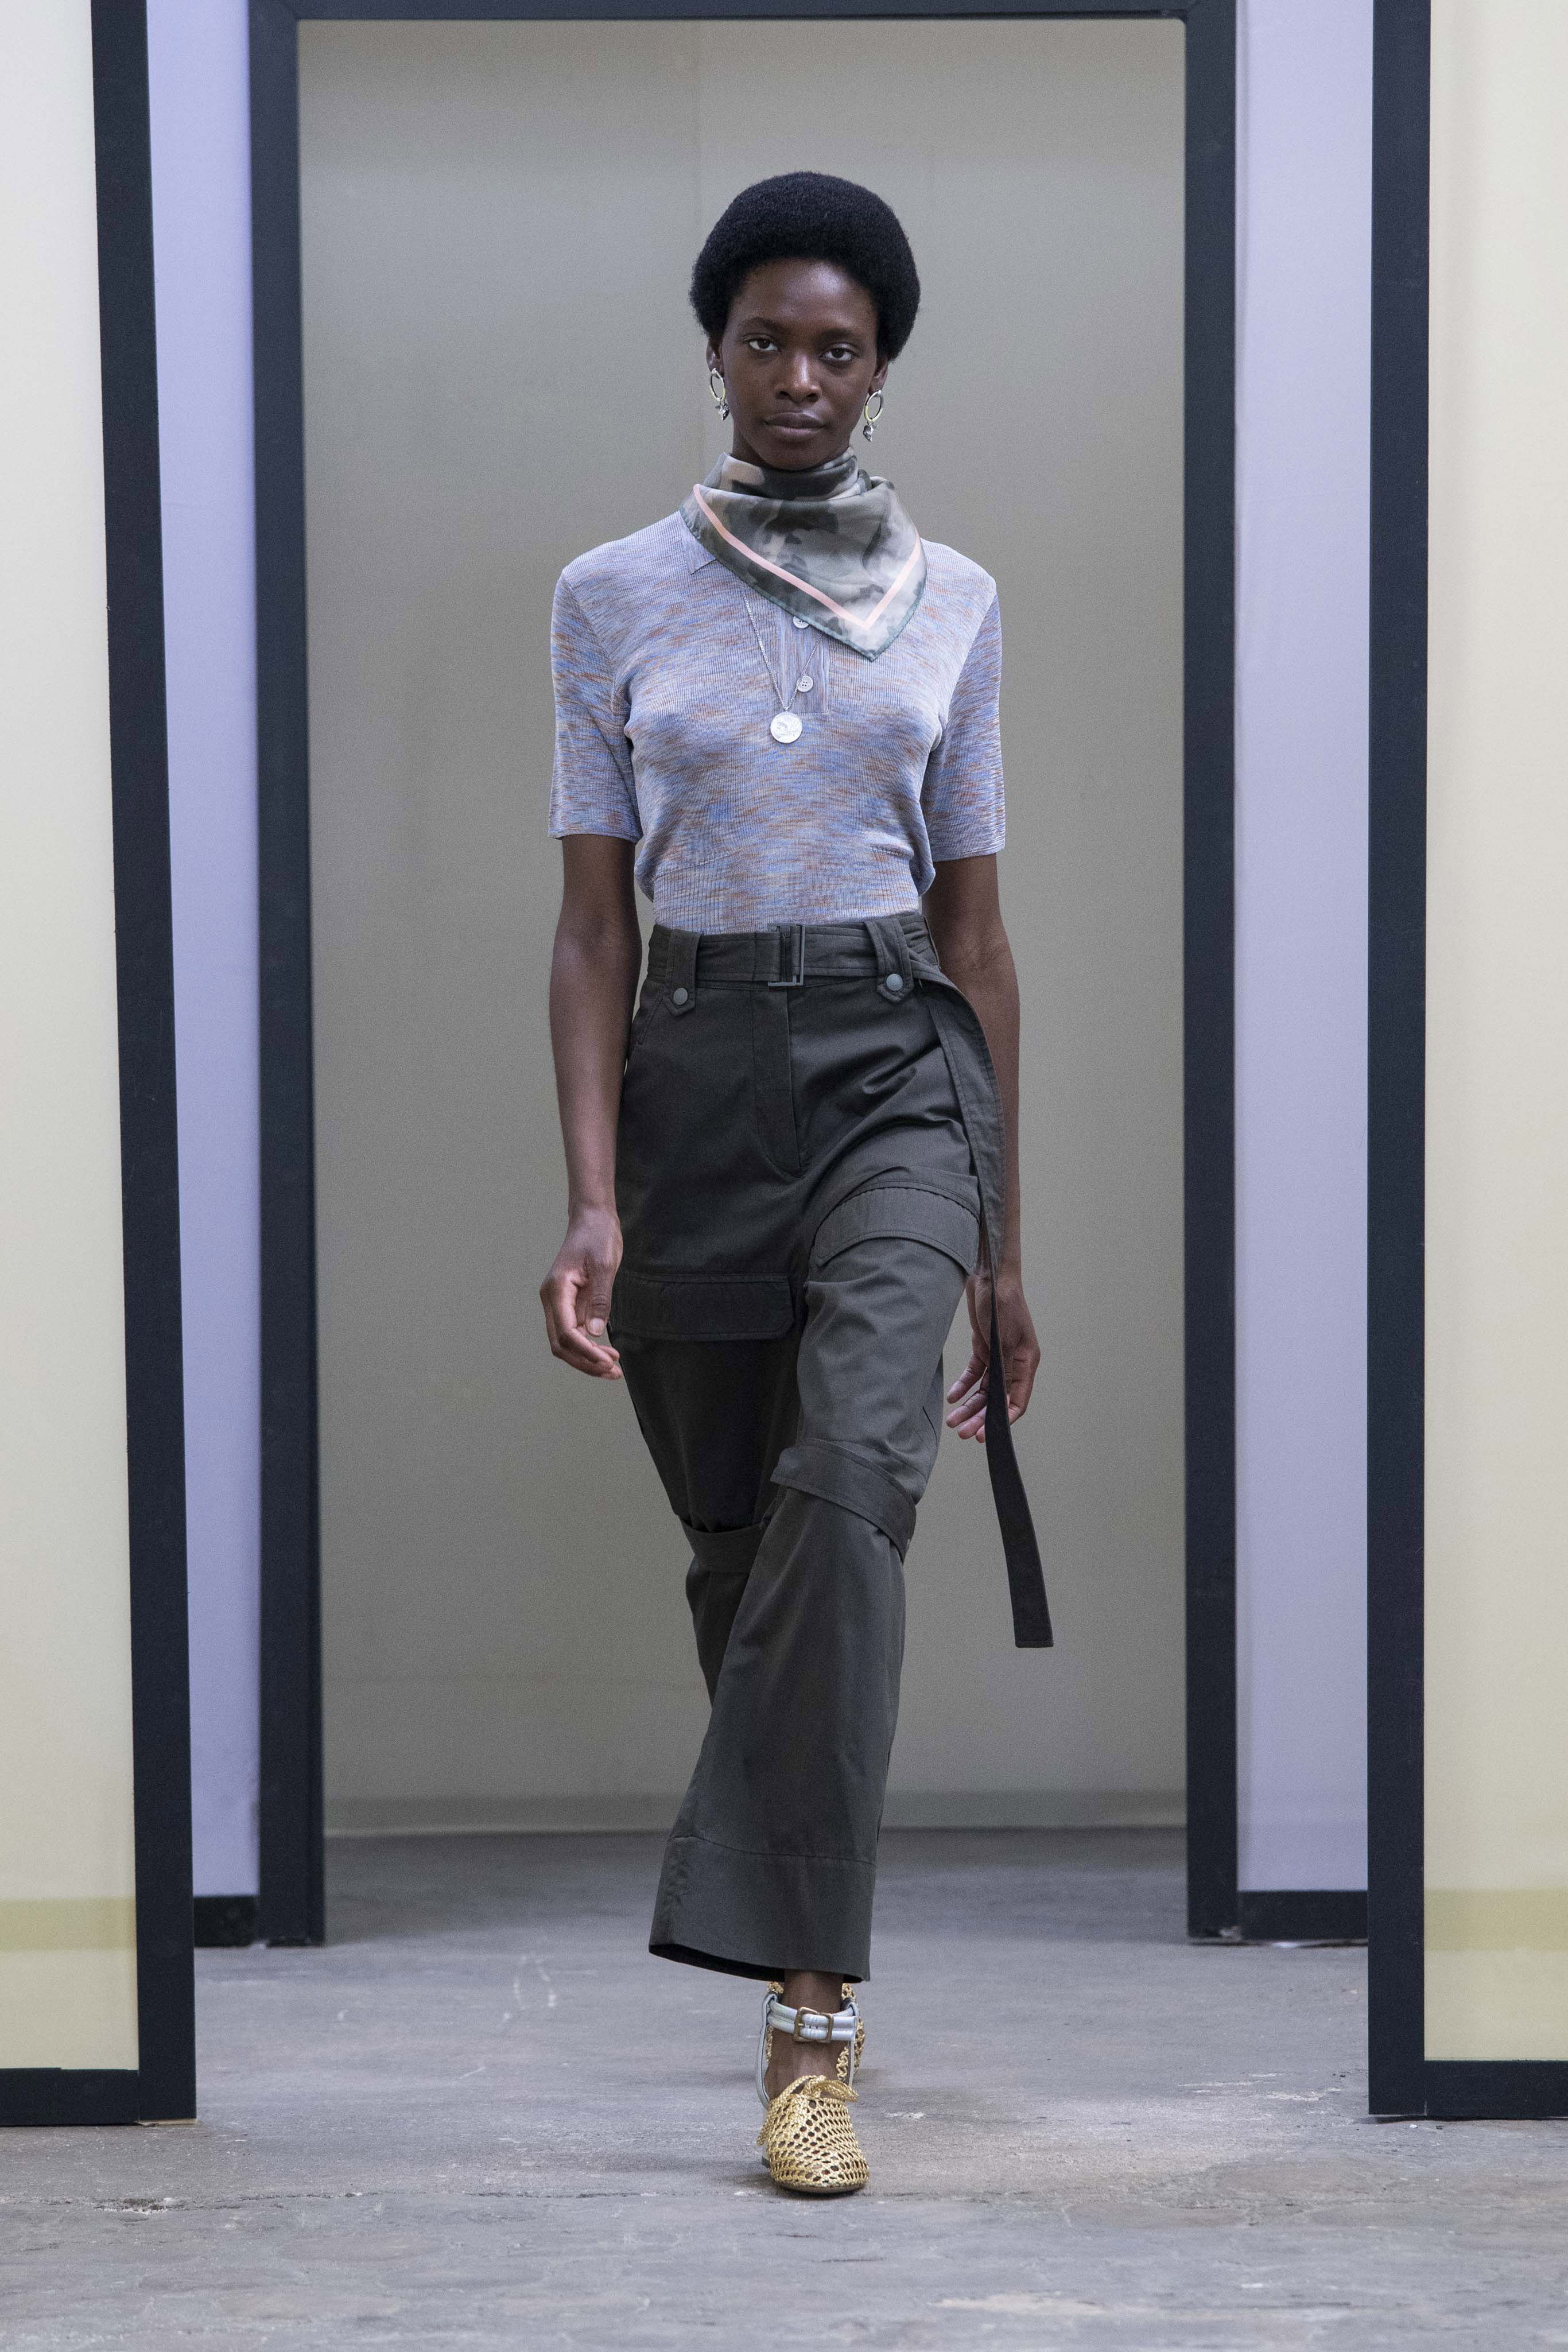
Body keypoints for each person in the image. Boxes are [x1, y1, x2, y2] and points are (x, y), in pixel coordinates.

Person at [541, 171, 1050, 2196]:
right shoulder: (607, 595)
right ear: (717, 351)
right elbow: (591, 927)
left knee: (851, 1489)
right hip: (690, 1076)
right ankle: (797, 1922)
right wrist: (592, 1196)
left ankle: (809, 2033)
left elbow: (979, 934)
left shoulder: (956, 601)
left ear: (881, 368)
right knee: (741, 1547)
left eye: (839, 347)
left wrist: (1000, 1238)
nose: (802, 378)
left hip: (894, 1064)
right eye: (768, 340)